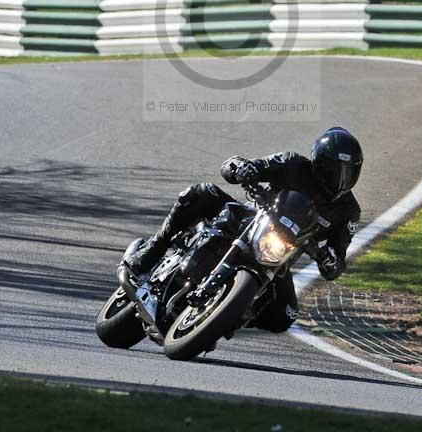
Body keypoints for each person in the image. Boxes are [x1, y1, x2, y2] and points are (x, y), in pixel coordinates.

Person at [124, 127, 363, 333]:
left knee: (285, 316)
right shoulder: (293, 164)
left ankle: (228, 316)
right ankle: (154, 249)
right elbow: (235, 165)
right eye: (334, 171)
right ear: (319, 163)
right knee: (200, 193)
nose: (340, 180)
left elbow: (338, 257)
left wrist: (330, 261)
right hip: (249, 220)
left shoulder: (349, 211)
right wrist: (241, 169)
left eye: (348, 172)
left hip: (278, 257)